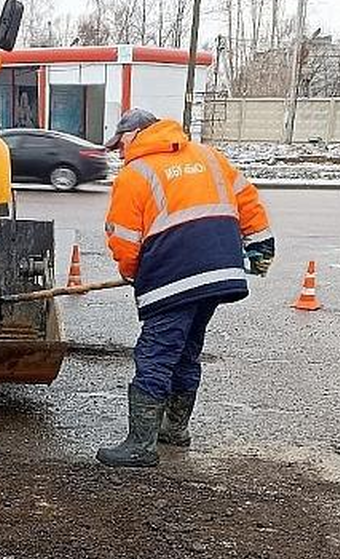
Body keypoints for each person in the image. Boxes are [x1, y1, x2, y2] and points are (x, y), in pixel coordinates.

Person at [97, 109, 274, 468]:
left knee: (156, 354)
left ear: (138, 134)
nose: (119, 152)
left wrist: (134, 273)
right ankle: (175, 429)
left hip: (174, 273)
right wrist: (261, 245)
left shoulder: (136, 174)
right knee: (187, 349)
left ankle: (141, 446)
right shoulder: (209, 156)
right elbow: (248, 201)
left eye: (121, 143)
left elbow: (125, 240)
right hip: (217, 271)